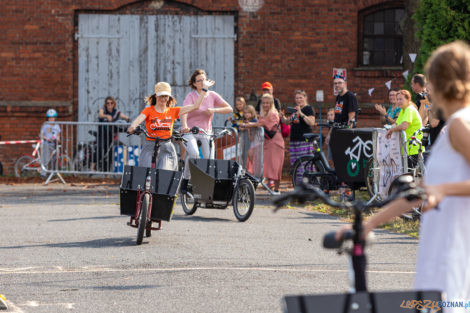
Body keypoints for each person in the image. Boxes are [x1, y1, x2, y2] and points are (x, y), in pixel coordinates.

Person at [337, 41, 470, 312]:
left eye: (431, 81)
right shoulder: (454, 124)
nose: (428, 89)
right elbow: (421, 189)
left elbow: (436, 189)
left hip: (452, 248)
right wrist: (368, 224)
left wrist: (443, 190)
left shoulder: (459, 125)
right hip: (439, 246)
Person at [128, 81, 212, 170]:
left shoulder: (173, 111)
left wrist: (204, 88)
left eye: (166, 96)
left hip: (166, 146)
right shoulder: (149, 110)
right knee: (145, 172)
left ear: (169, 97)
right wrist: (133, 127)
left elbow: (196, 106)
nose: (163, 99)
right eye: (161, 96)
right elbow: (139, 119)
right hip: (150, 145)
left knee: (164, 173)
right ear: (156, 95)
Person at [180, 69, 233, 193]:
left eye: (204, 80)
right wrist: (184, 126)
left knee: (210, 160)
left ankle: (205, 186)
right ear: (194, 84)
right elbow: (184, 112)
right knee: (194, 154)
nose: (202, 82)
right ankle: (185, 180)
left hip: (206, 132)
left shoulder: (212, 95)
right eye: (199, 81)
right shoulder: (191, 96)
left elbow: (229, 108)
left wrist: (214, 110)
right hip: (190, 132)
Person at [242, 94, 284, 194]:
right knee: (253, 156)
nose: (265, 105)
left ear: (271, 103)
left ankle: (277, 190)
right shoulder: (263, 113)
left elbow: (264, 124)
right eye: (263, 103)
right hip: (266, 141)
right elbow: (260, 123)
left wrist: (250, 124)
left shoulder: (273, 113)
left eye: (267, 103)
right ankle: (254, 183)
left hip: (275, 142)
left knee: (275, 166)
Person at [325, 74, 358, 167]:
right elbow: (336, 118)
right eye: (335, 83)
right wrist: (329, 133)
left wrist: (346, 134)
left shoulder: (350, 97)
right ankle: (337, 179)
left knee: (343, 159)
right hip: (336, 131)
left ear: (345, 83)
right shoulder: (338, 98)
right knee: (333, 159)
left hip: (344, 133)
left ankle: (343, 181)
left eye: (339, 83)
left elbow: (351, 117)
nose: (337, 85)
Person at [385, 90, 423, 168]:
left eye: (401, 99)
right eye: (397, 99)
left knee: (411, 177)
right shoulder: (403, 110)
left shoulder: (409, 109)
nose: (398, 101)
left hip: (413, 148)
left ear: (408, 100)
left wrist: (392, 130)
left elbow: (404, 126)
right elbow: (396, 124)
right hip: (406, 148)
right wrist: (389, 129)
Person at [91, 97, 130, 172]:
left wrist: (128, 119)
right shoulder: (103, 110)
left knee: (108, 153)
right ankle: (91, 168)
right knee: (99, 149)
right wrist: (106, 116)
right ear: (105, 104)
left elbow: (123, 116)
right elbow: (100, 114)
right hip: (101, 134)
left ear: (114, 104)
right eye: (108, 103)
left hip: (110, 135)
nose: (109, 104)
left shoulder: (116, 112)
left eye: (111, 103)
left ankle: (106, 172)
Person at [280, 90, 316, 168]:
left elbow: (311, 122)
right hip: (294, 140)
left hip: (304, 141)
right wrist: (282, 116)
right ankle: (297, 180)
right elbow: (287, 122)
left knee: (304, 164)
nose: (298, 100)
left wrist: (301, 113)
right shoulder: (295, 110)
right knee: (296, 164)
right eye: (297, 98)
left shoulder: (308, 108)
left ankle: (307, 180)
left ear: (305, 98)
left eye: (300, 98)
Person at [40, 109, 61, 174]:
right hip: (47, 144)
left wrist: (58, 139)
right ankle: (43, 173)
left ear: (55, 118)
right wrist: (45, 138)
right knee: (45, 159)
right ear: (48, 118)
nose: (51, 119)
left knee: (54, 158)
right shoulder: (45, 125)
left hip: (54, 144)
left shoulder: (57, 126)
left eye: (53, 118)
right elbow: (41, 134)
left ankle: (52, 173)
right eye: (50, 118)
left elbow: (58, 135)